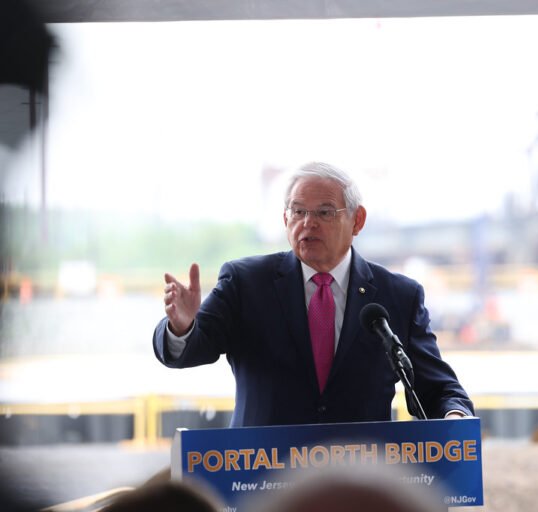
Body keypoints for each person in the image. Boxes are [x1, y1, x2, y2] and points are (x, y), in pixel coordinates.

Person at [153, 162, 473, 426]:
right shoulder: (246, 282)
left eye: (324, 213)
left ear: (357, 220)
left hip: (361, 482)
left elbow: (438, 389)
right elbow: (193, 348)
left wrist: (455, 415)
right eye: (297, 212)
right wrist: (182, 327)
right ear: (285, 219)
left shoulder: (398, 296)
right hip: (264, 480)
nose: (308, 223)